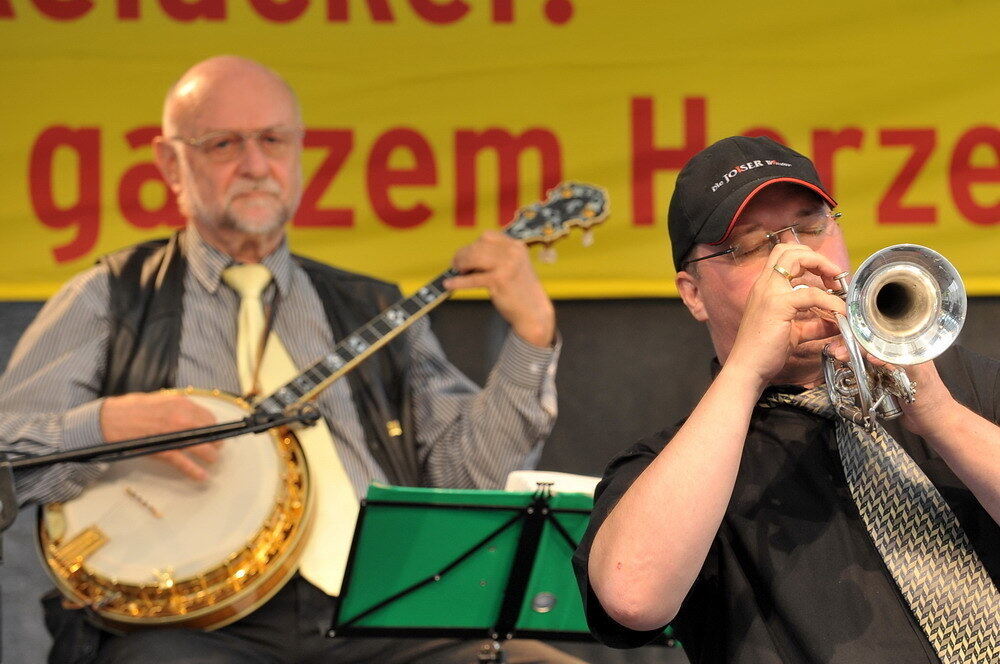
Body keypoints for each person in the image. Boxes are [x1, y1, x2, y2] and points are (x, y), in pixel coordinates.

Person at [0, 56, 587, 664]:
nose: (255, 165)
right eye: (224, 143)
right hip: (189, 628)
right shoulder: (109, 295)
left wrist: (532, 335)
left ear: (300, 152)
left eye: (274, 140)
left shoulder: (373, 307)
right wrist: (108, 426)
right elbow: (6, 450)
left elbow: (471, 482)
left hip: (378, 612)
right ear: (171, 164)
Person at [574, 136, 1000, 663]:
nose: (796, 256)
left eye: (813, 225)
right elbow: (633, 597)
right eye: (752, 247)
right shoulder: (675, 462)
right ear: (693, 294)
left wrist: (941, 418)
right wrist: (748, 369)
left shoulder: (959, 383)